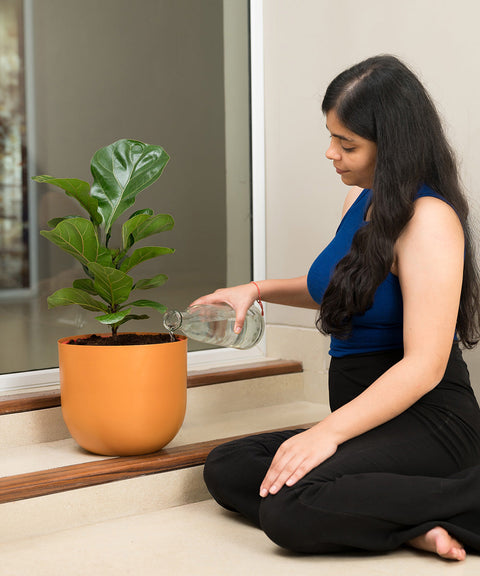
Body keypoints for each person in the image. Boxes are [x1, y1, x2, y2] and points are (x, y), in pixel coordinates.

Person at [192, 55, 480, 561]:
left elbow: (425, 366)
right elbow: (336, 287)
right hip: (365, 418)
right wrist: (254, 290)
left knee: (288, 508)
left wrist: (326, 433)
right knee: (230, 466)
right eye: (331, 137)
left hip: (429, 422)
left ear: (392, 146)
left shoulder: (430, 220)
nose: (331, 154)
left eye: (347, 144)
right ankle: (413, 522)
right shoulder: (362, 200)